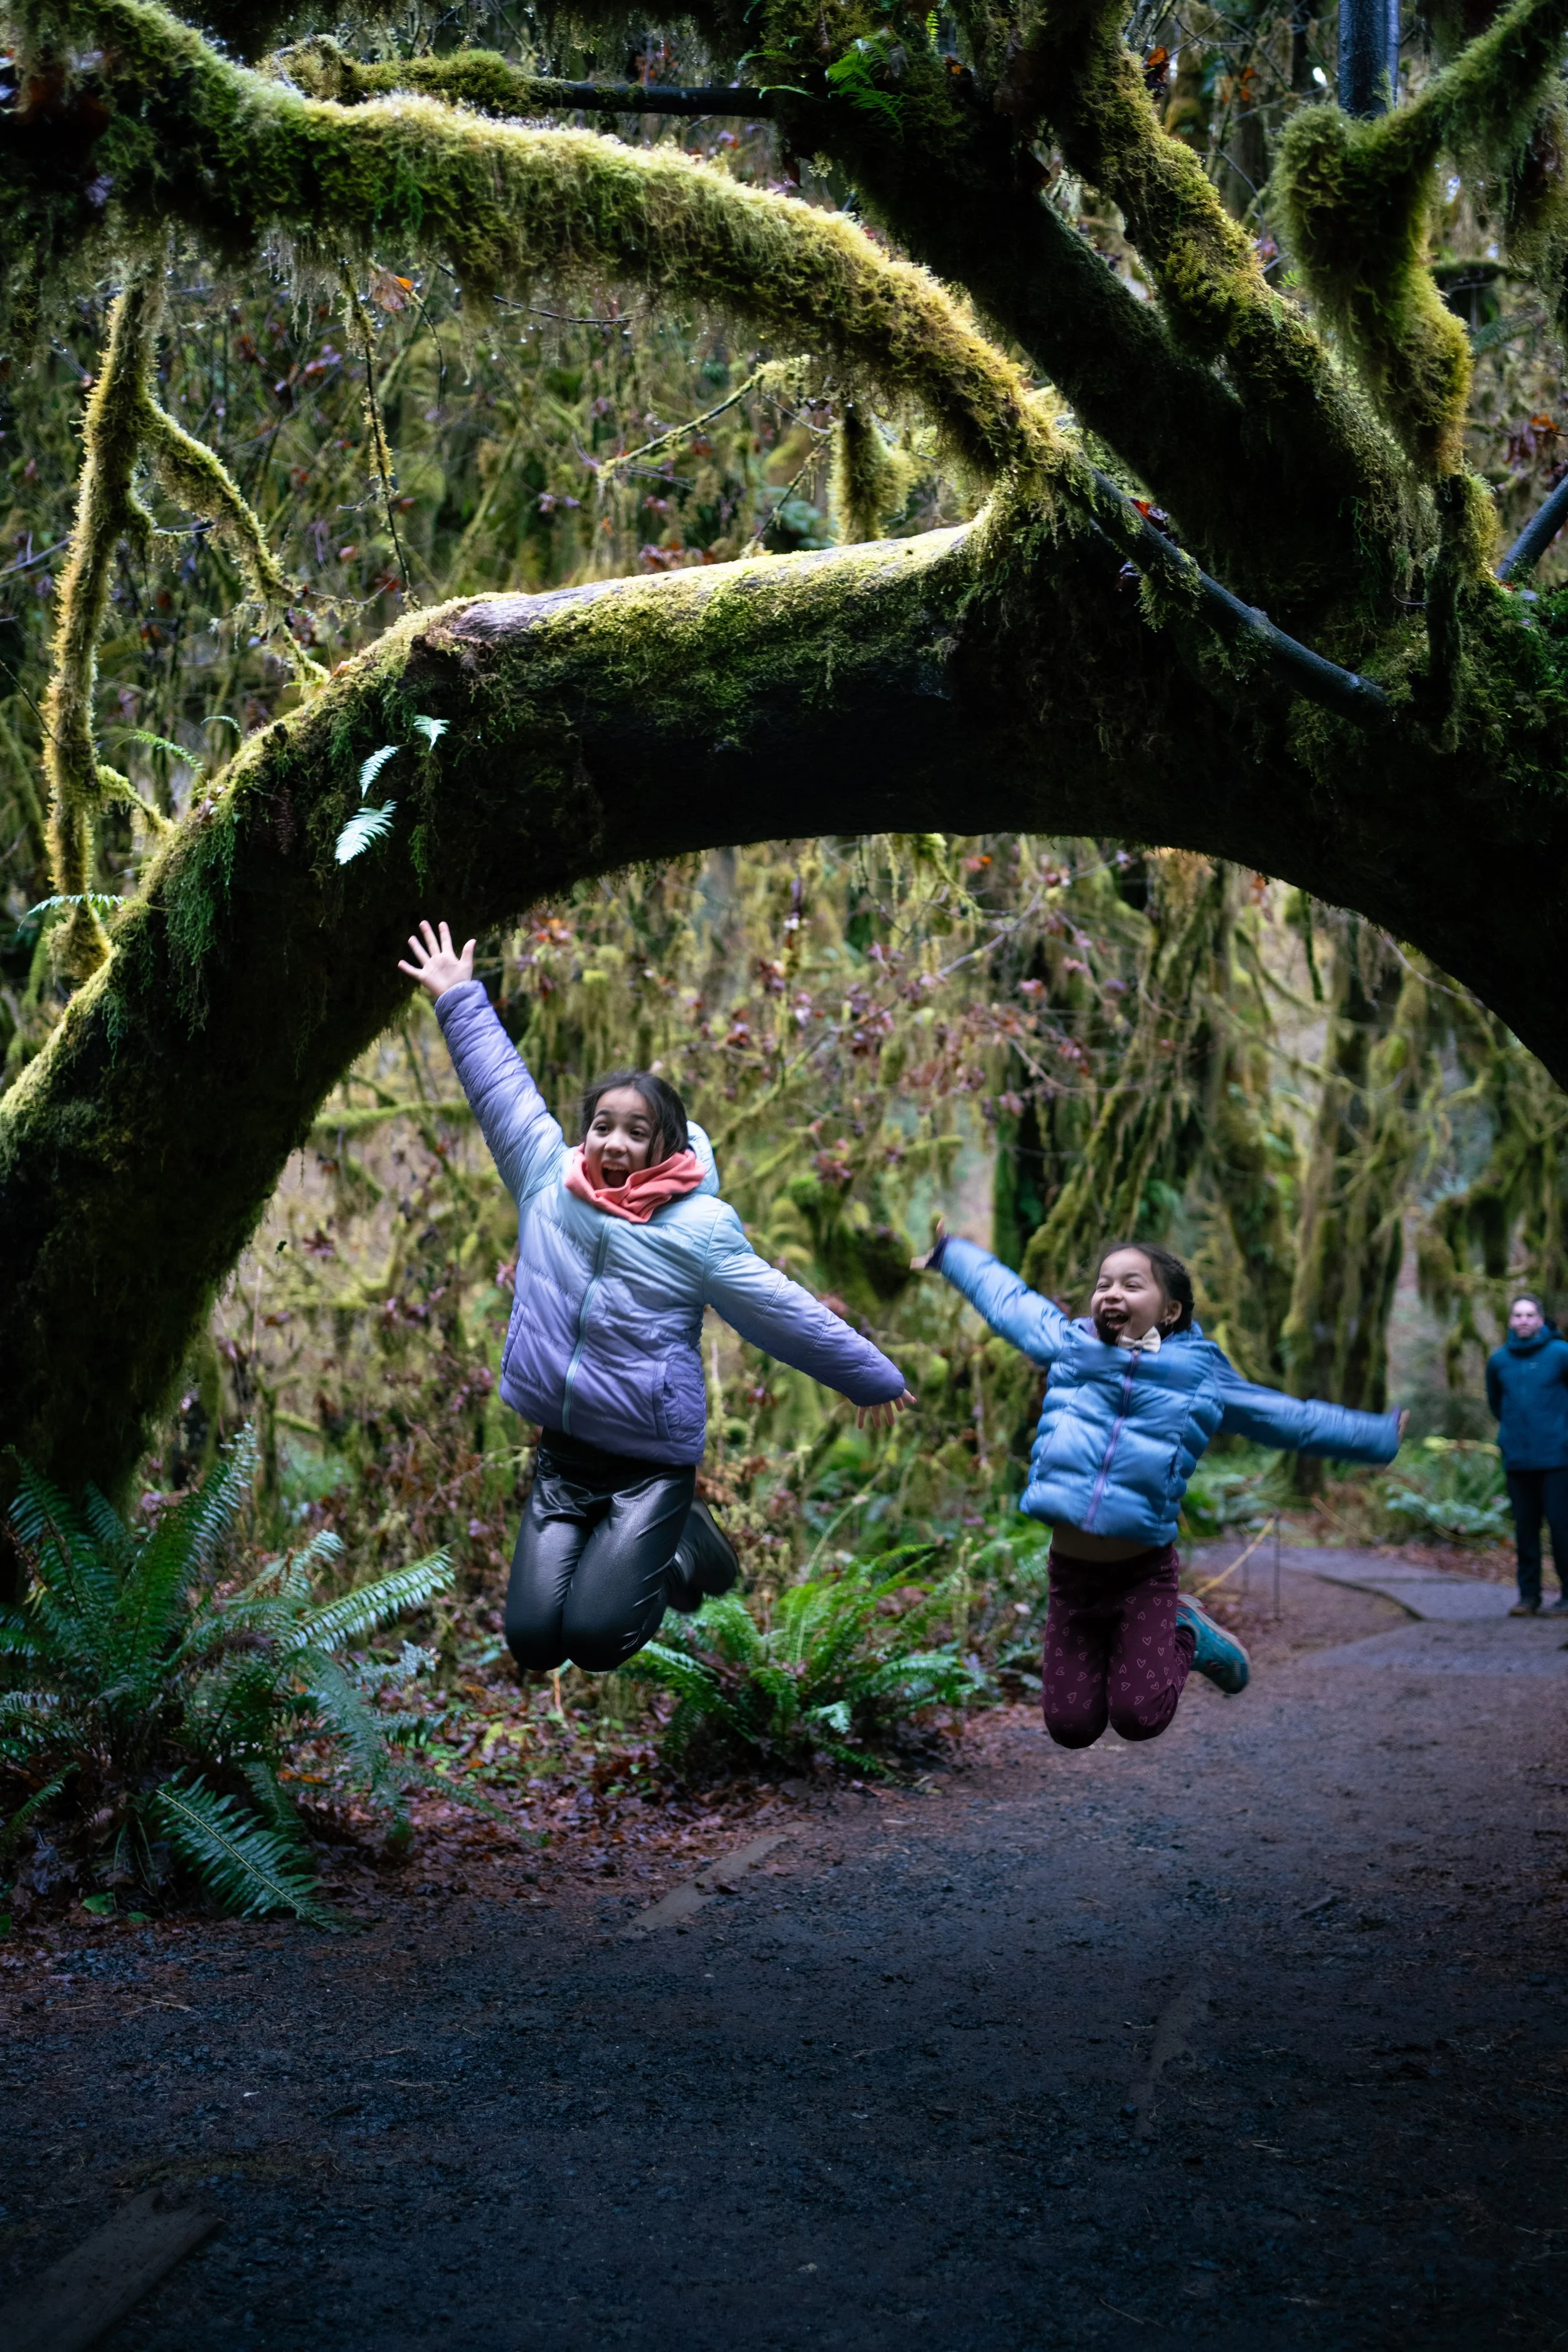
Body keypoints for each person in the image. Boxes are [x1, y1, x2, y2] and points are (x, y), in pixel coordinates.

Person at [400, 921, 914, 1674]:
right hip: (563, 1457)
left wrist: (869, 1376)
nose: (612, 1142)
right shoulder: (546, 1179)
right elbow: (500, 1089)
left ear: (665, 1146)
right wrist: (458, 997)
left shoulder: (699, 1230)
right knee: (536, 1644)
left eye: (635, 1131)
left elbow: (780, 1309)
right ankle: (647, 1550)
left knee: (598, 1643)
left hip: (648, 1463)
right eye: (602, 1125)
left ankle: (677, 1541)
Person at [913, 1228, 1406, 1750]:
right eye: (1104, 1284)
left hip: (1142, 1573)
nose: (1112, 1294)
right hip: (1072, 1575)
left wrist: (1374, 1436)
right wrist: (954, 1254)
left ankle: (1186, 1630)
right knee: (1071, 1727)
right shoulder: (1071, 1344)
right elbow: (1010, 1301)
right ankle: (1137, 1647)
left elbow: (1287, 1419)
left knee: (1139, 1716)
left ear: (1169, 1311)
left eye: (1131, 1284)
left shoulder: (1200, 1374)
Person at [1485, 1291, 1568, 1617]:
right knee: (1525, 1530)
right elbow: (1496, 1403)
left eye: (1529, 1315)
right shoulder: (1499, 1360)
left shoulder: (1560, 1353)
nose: (1523, 1321)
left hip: (1558, 1459)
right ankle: (1528, 1596)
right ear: (1510, 1321)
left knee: (1562, 1529)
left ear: (1540, 1319)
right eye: (1517, 1315)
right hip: (1518, 1459)